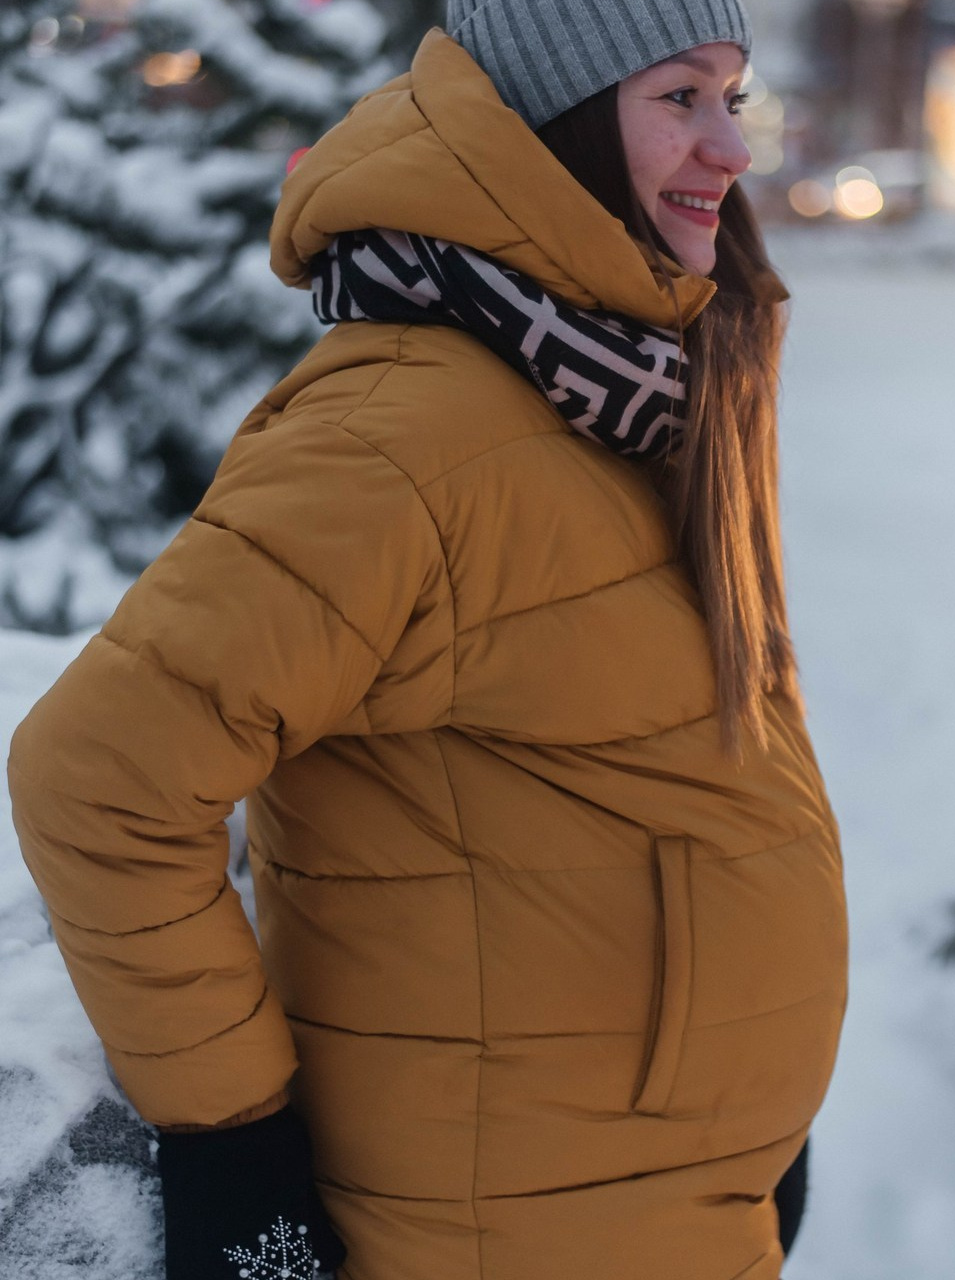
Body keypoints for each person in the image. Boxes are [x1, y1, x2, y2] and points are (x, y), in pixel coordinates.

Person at [7, 2, 849, 1277]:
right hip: (497, 1222)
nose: (729, 148)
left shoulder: (624, 386)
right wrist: (233, 1143)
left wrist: (743, 1111)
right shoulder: (406, 432)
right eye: (677, 98)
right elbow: (99, 774)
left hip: (644, 1200)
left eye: (732, 96)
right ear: (556, 120)